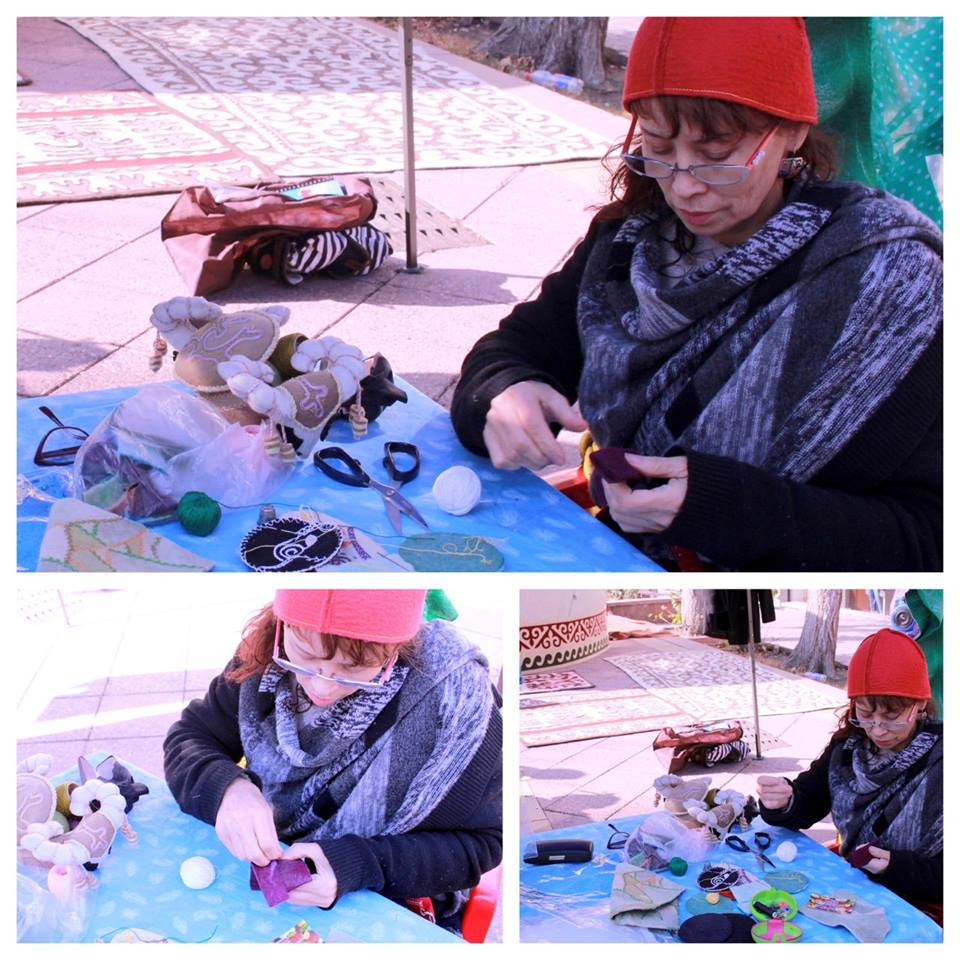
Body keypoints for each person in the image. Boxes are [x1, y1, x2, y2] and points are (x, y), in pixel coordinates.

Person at [451, 17, 942, 572]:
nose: (684, 186)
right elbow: (512, 350)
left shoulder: (889, 283)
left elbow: (929, 537)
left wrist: (723, 508)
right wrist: (502, 390)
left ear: (792, 132)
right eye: (658, 148)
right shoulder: (629, 241)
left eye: (716, 153)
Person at [163, 589, 502, 930]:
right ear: (283, 626)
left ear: (394, 648)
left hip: (387, 895)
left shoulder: (454, 699)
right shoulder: (266, 654)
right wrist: (228, 790)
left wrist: (360, 863)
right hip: (266, 879)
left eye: (354, 667)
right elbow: (191, 736)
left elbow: (483, 843)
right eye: (305, 657)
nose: (322, 688)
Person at [757, 628, 942, 910]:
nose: (877, 730)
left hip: (921, 905)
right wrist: (784, 801)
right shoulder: (848, 747)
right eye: (865, 714)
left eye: (892, 717)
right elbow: (809, 800)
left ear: (919, 704)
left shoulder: (942, 760)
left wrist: (896, 867)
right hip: (854, 887)